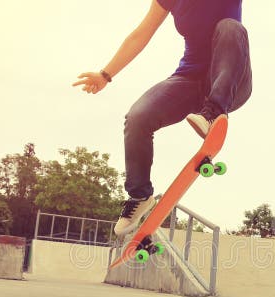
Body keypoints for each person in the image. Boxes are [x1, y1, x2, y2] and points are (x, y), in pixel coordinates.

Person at [73, 0, 252, 236]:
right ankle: (139, 195)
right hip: (189, 80)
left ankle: (214, 112)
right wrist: (105, 74)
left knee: (230, 27)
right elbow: (140, 35)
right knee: (137, 117)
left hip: (232, 81)